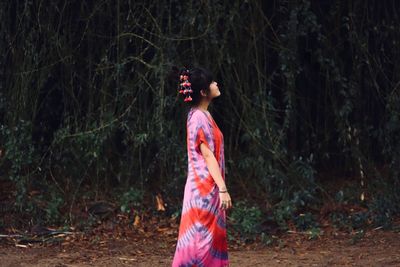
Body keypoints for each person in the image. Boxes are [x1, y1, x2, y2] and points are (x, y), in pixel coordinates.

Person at [171, 66, 232, 267]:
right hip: (203, 192)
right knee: (201, 244)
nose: (216, 84)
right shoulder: (198, 117)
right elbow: (208, 156)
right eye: (212, 83)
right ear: (204, 92)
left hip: (208, 188)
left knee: (210, 240)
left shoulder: (203, 115)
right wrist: (223, 188)